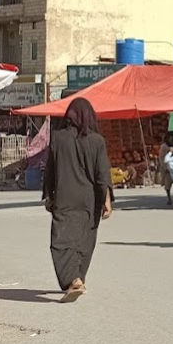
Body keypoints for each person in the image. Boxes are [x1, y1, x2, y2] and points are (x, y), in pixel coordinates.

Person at [42, 97, 111, 303]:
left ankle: (74, 279)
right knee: (85, 239)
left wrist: (48, 195)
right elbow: (102, 175)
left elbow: (50, 170)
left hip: (65, 196)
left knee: (61, 241)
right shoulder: (97, 141)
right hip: (90, 200)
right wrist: (106, 200)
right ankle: (78, 277)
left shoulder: (58, 138)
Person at [157, 131, 173, 205]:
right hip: (167, 167)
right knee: (168, 184)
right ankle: (169, 198)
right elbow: (162, 158)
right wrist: (165, 167)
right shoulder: (164, 146)